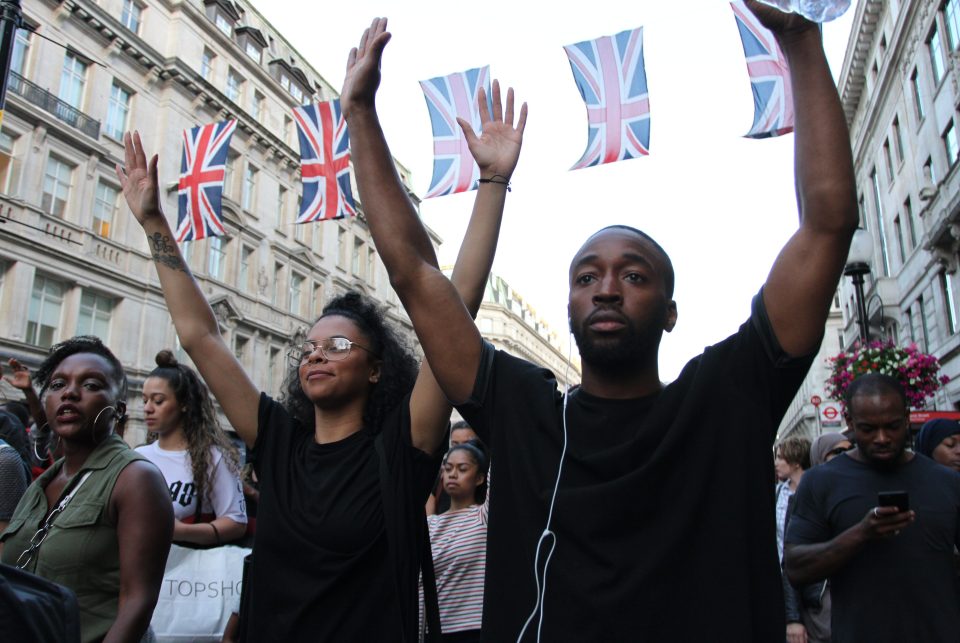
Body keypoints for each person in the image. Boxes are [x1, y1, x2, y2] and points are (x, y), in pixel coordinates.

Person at [340, 4, 857, 638]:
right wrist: (360, 117)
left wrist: (802, 41)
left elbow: (827, 225)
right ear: (569, 308)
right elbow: (416, 275)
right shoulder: (526, 413)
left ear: (670, 313)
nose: (607, 289)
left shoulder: (726, 396)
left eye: (634, 276)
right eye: (587, 278)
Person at [115, 73, 525, 641]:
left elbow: (456, 309)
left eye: (337, 346)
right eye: (308, 347)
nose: (316, 356)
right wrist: (154, 222)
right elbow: (200, 336)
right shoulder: (278, 441)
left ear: (376, 368)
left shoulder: (401, 449)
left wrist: (493, 181)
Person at [0, 336, 173, 643]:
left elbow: (138, 601)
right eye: (57, 385)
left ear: (118, 409)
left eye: (91, 385)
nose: (69, 393)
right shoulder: (42, 484)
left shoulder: (136, 479)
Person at [784, 374, 960, 642]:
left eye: (892, 426)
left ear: (907, 417)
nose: (882, 438)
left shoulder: (947, 481)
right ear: (850, 423)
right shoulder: (821, 482)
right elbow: (796, 568)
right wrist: (861, 533)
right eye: (868, 429)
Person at [136, 350, 247, 546]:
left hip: (187, 571)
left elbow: (236, 522)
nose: (148, 408)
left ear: (184, 403)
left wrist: (182, 531)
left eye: (158, 400)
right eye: (145, 400)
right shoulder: (137, 457)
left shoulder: (213, 458)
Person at [782, 431, 849, 643]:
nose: (846, 456)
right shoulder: (806, 497)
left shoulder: (862, 489)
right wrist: (793, 618)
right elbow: (791, 560)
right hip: (822, 611)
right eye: (837, 452)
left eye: (850, 449)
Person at [426, 439, 490, 641]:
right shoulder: (429, 524)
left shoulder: (484, 517)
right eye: (448, 468)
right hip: (429, 631)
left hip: (471, 630)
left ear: (480, 478)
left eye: (462, 468)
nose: (452, 474)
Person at [774, 436, 811, 562]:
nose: (776, 463)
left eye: (780, 458)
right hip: (782, 571)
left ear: (796, 462)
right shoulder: (778, 491)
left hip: (808, 569)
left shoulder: (815, 490)